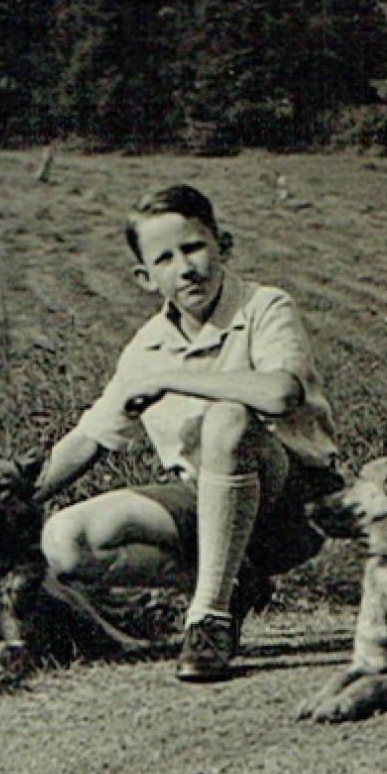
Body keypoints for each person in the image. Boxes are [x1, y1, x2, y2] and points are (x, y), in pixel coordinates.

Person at [32, 184, 340, 683]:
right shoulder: (147, 347)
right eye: (165, 258)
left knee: (228, 419)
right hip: (205, 499)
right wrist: (12, 497)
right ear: (146, 277)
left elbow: (281, 394)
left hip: (291, 501)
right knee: (66, 541)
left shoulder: (263, 306)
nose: (186, 267)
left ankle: (209, 619)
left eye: (195, 247)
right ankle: (230, 583)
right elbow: (90, 437)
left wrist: (170, 379)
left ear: (225, 246)